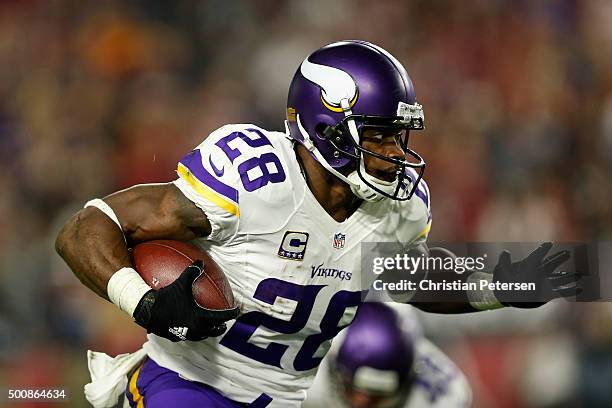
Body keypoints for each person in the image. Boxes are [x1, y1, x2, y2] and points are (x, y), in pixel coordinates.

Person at [55, 40, 578, 407]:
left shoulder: (400, 208)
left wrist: (499, 286)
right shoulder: (255, 179)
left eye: (399, 137)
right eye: (378, 135)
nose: (395, 153)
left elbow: (408, 281)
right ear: (326, 128)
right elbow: (84, 228)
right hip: (189, 385)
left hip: (289, 399)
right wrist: (142, 302)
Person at [303, 302, 472, 408]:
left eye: (376, 397)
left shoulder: (440, 394)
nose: (361, 404)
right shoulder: (307, 366)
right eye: (353, 391)